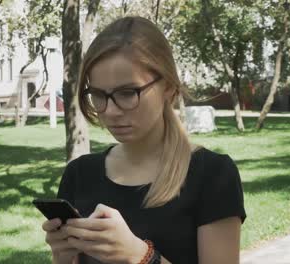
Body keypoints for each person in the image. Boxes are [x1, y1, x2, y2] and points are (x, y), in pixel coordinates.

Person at [42, 16, 246, 264]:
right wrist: (62, 256)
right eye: (98, 95)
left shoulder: (213, 175)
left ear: (168, 87)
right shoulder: (79, 174)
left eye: (128, 93)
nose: (111, 111)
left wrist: (140, 256)